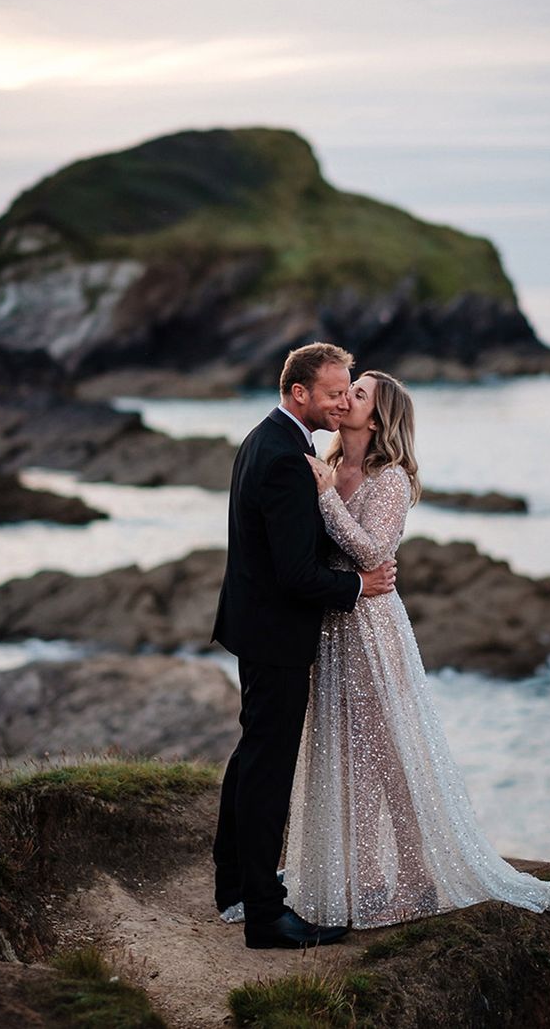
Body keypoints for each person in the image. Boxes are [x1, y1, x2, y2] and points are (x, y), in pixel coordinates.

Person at [284, 370, 550, 927]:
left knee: (388, 756)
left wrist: (327, 500)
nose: (343, 397)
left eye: (356, 393)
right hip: (329, 627)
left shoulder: (390, 479)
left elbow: (374, 551)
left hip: (372, 631)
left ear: (376, 418)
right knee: (347, 752)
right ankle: (366, 877)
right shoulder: (326, 467)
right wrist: (322, 494)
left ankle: (419, 877)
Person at [211, 344, 397, 949]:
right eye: (334, 392)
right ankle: (265, 913)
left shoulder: (269, 438)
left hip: (254, 625)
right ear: (300, 395)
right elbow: (296, 573)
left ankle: (235, 885)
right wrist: (359, 585)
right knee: (268, 768)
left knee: (252, 753)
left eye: (351, 392)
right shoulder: (289, 458)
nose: (344, 401)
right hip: (277, 633)